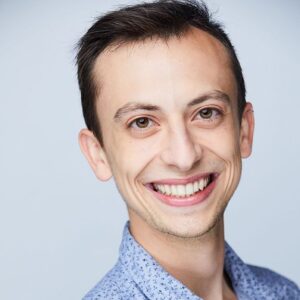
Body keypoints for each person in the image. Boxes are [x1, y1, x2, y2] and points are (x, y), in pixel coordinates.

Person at [76, 0, 300, 299]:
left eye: (206, 113)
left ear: (244, 130)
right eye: (142, 122)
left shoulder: (283, 292)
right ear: (97, 154)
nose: (184, 157)